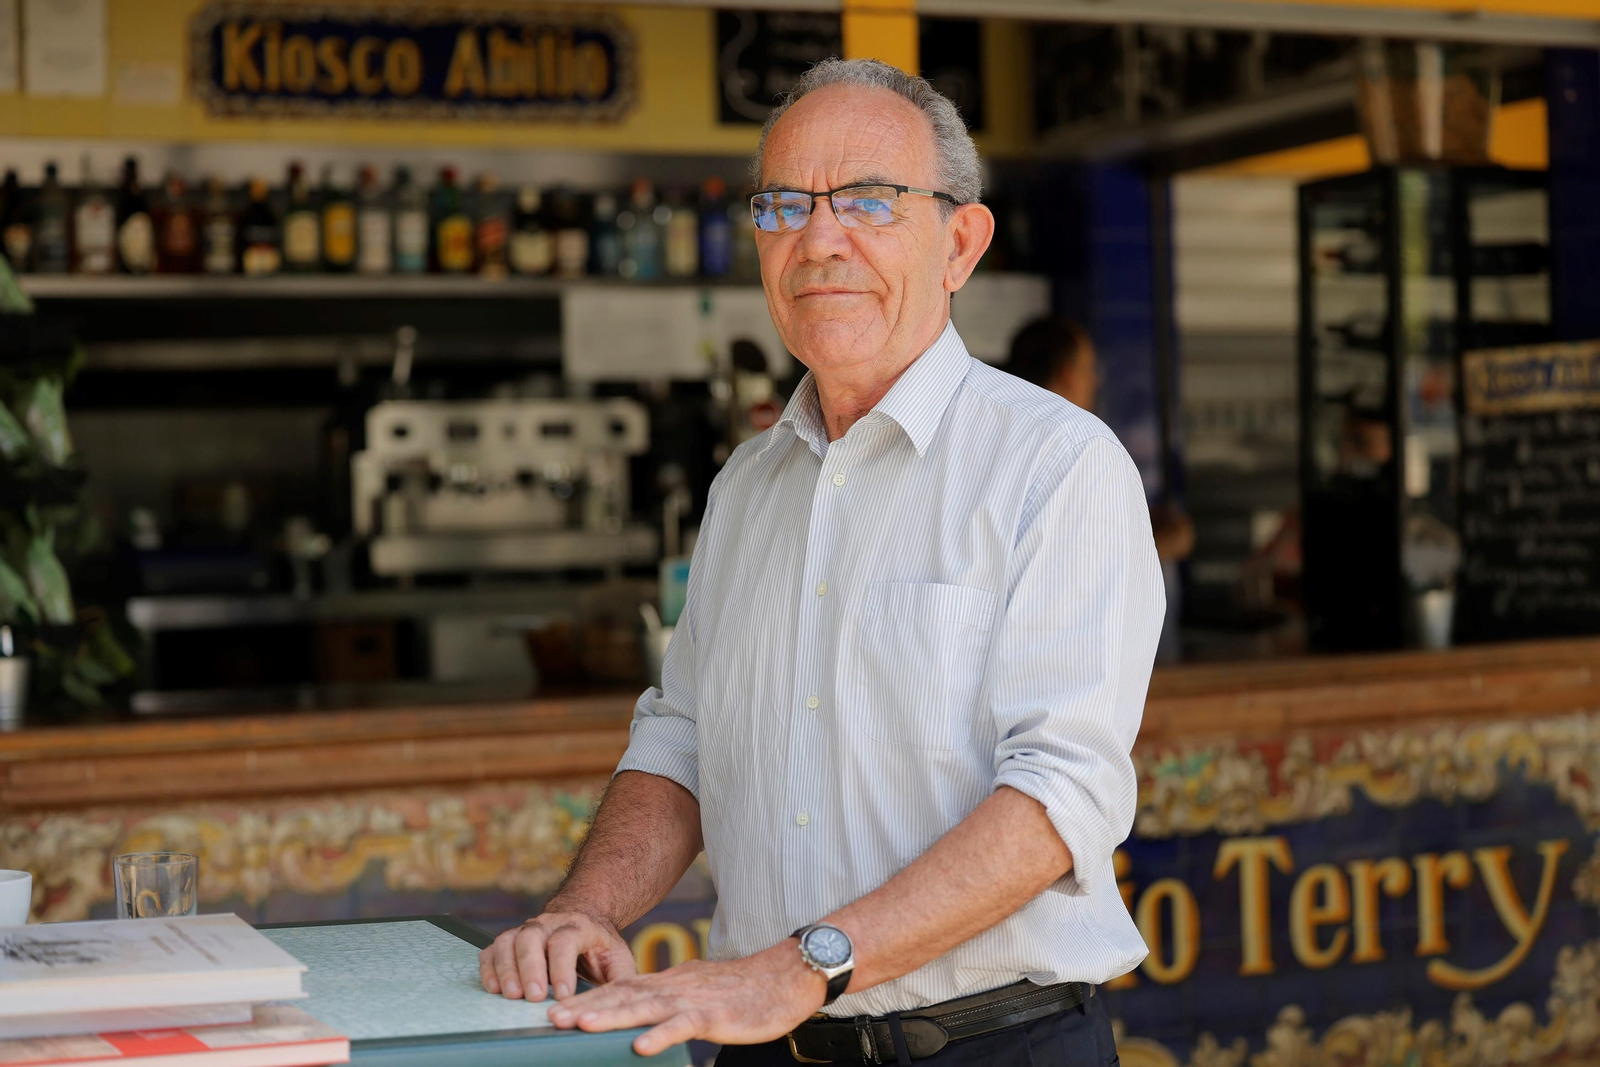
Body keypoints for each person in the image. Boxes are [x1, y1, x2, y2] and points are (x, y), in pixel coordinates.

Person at [479, 58, 1164, 1065]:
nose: (819, 238)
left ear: (959, 243)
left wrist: (800, 965)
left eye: (870, 202)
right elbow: (681, 742)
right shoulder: (746, 486)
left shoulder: (1055, 465)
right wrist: (585, 909)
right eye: (784, 205)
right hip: (766, 1045)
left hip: (986, 1045)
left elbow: (1059, 798)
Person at [1006, 316, 1193, 662]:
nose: (1096, 380)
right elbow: (1075, 558)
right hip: (1063, 657)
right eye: (1090, 368)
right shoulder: (1074, 444)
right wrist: (1159, 546)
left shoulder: (1008, 434)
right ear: (1067, 374)